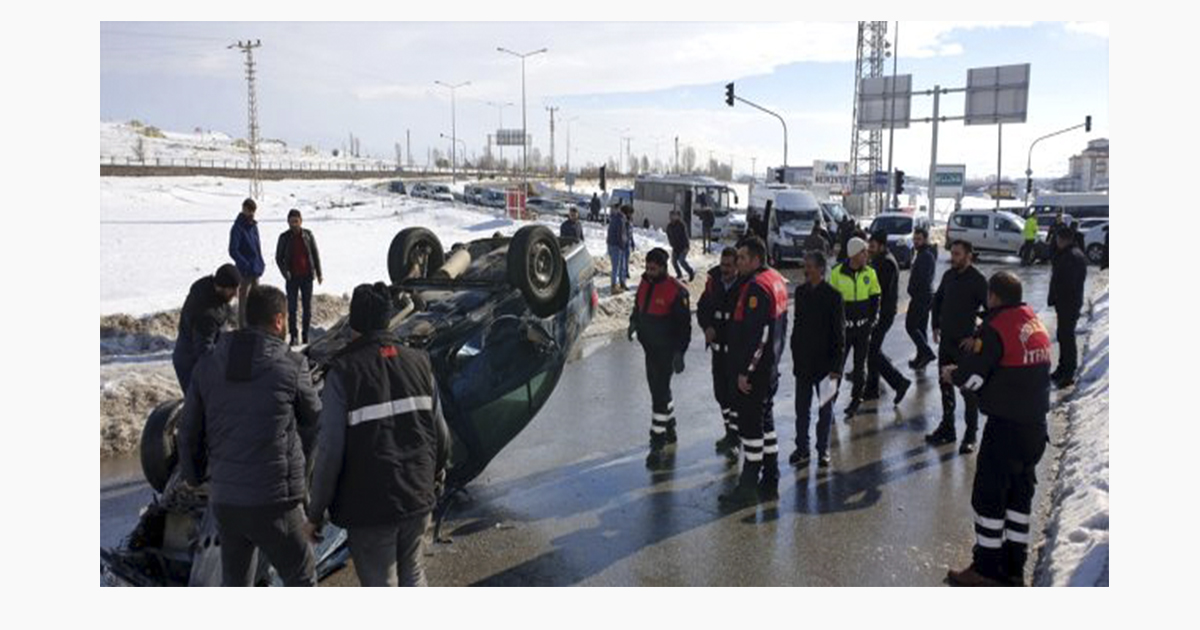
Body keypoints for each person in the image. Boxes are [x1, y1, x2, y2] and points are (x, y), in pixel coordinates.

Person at [304, 283, 451, 587]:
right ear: (387, 321)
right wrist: (434, 478)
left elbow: (329, 452)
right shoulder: (420, 363)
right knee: (413, 572)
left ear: (352, 325)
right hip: (416, 496)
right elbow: (442, 435)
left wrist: (315, 511)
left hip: (370, 508)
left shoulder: (342, 373)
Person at [177, 285, 321, 586]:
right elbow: (314, 419)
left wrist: (193, 477)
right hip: (276, 504)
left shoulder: (208, 365)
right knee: (302, 577)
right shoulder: (292, 366)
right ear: (279, 320)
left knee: (237, 583)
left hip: (227, 503)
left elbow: (188, 430)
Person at [942, 271, 1052, 587]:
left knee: (989, 498)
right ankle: (1015, 567)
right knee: (1019, 499)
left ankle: (987, 569)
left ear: (993, 297)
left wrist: (954, 374)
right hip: (1034, 428)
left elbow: (973, 377)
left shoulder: (995, 328)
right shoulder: (1033, 321)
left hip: (1006, 428)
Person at [719, 236, 789, 506]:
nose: (738, 263)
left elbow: (760, 335)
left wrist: (746, 371)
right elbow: (783, 327)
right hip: (768, 370)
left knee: (751, 431)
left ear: (757, 259)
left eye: (742, 258)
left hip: (755, 374)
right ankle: (770, 481)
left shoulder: (758, 287)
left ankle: (747, 488)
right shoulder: (775, 280)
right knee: (766, 426)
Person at [628, 248, 692, 468]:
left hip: (667, 351)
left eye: (653, 268)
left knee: (659, 395)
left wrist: (680, 353)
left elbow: (684, 327)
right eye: (647, 267)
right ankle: (670, 427)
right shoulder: (645, 282)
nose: (649, 271)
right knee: (659, 390)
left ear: (664, 267)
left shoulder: (676, 291)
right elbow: (638, 306)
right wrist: (633, 322)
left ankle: (657, 443)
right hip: (650, 348)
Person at [926, 240, 989, 454]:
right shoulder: (949, 275)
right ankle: (948, 428)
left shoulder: (978, 280)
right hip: (946, 342)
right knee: (945, 384)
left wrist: (976, 336)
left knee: (967, 390)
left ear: (968, 255)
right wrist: (935, 325)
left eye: (958, 254)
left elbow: (992, 313)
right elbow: (937, 300)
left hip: (965, 346)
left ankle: (970, 435)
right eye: (952, 253)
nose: (953, 257)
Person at [789, 250, 845, 468]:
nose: (806, 269)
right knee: (801, 411)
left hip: (826, 367)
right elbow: (797, 325)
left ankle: (823, 450)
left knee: (825, 411)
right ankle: (802, 448)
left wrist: (836, 367)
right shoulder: (801, 293)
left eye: (810, 266)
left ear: (821, 269)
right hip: (803, 364)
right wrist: (795, 353)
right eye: (806, 265)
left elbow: (840, 335)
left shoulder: (833, 296)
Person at [828, 237, 880, 418]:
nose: (867, 254)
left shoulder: (870, 273)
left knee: (860, 368)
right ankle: (828, 402)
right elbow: (830, 302)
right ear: (853, 254)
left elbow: (875, 298)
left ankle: (856, 400)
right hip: (843, 331)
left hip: (863, 330)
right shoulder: (836, 273)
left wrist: (872, 321)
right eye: (863, 251)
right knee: (836, 367)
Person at [696, 247, 740, 459]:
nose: (725, 269)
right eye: (722, 265)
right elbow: (702, 308)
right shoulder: (713, 284)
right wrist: (707, 327)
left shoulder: (744, 286)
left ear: (737, 266)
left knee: (734, 396)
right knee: (721, 394)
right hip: (718, 351)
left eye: (729, 266)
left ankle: (735, 438)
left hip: (736, 353)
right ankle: (728, 432)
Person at [172, 264, 241, 393]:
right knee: (200, 404)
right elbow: (204, 351)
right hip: (190, 362)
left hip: (187, 352)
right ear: (221, 287)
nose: (236, 295)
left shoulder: (204, 285)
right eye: (233, 290)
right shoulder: (208, 315)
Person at [864, 232, 913, 404]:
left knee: (872, 351)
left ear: (882, 246)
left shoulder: (886, 263)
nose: (869, 249)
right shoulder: (879, 261)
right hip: (880, 313)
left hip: (883, 314)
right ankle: (872, 389)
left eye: (872, 246)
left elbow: (878, 290)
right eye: (869, 245)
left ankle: (899, 382)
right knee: (872, 350)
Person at [274, 209, 324, 347]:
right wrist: (285, 273)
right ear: (288, 222)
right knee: (292, 308)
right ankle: (294, 336)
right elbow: (278, 258)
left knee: (307, 308)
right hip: (292, 278)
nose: (294, 224)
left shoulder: (308, 235)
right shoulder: (284, 237)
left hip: (307, 276)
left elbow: (315, 253)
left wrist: (319, 273)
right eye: (291, 222)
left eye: (296, 221)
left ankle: (306, 335)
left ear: (301, 221)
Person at [1048, 226, 1088, 389]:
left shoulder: (1072, 256)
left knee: (1067, 337)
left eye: (1057, 239)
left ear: (1064, 240)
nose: (1056, 242)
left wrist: (1058, 297)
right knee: (1063, 335)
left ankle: (1068, 373)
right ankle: (1062, 368)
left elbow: (1068, 283)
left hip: (1068, 303)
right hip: (1065, 303)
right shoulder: (1068, 254)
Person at [229, 197, 265, 328]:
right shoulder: (237, 228)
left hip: (256, 269)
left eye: (253, 212)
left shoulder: (253, 227)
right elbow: (233, 250)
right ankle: (243, 328)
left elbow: (257, 246)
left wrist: (260, 262)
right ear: (243, 209)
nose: (251, 214)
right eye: (249, 211)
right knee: (243, 302)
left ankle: (255, 326)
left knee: (256, 300)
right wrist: (245, 264)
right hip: (244, 271)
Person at [906, 227, 938, 369]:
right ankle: (921, 357)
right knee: (920, 328)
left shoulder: (925, 255)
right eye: (914, 239)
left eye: (919, 239)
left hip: (921, 297)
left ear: (925, 239)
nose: (916, 242)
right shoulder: (922, 253)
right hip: (923, 296)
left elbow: (923, 279)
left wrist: (913, 290)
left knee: (911, 326)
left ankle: (927, 353)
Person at [667, 210, 695, 282]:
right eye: (670, 216)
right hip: (676, 247)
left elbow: (685, 236)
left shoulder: (681, 225)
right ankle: (679, 274)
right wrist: (671, 243)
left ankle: (690, 272)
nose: (671, 217)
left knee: (681, 260)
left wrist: (687, 246)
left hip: (683, 246)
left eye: (673, 216)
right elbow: (669, 236)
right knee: (673, 261)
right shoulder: (669, 226)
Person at [606, 204, 629, 294]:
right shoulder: (621, 219)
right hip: (617, 245)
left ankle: (616, 285)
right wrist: (622, 245)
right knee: (616, 267)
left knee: (615, 266)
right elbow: (621, 234)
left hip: (611, 244)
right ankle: (614, 287)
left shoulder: (614, 218)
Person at [623, 205, 636, 286]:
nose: (631, 215)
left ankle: (626, 271)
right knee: (623, 260)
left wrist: (632, 242)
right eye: (630, 213)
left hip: (628, 242)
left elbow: (631, 233)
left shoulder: (630, 221)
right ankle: (623, 273)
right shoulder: (624, 221)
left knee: (627, 258)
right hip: (623, 242)